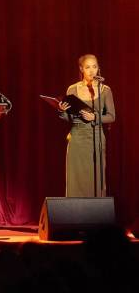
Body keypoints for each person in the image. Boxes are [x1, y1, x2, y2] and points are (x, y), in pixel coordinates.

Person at [58, 54, 115, 197]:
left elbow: (111, 117)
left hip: (96, 137)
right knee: (76, 177)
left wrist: (95, 117)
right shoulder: (72, 89)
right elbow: (68, 117)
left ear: (98, 69)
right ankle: (75, 215)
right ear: (81, 69)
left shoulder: (105, 90)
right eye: (88, 67)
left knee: (96, 177)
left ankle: (95, 214)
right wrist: (61, 111)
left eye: (94, 67)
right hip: (77, 137)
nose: (91, 71)